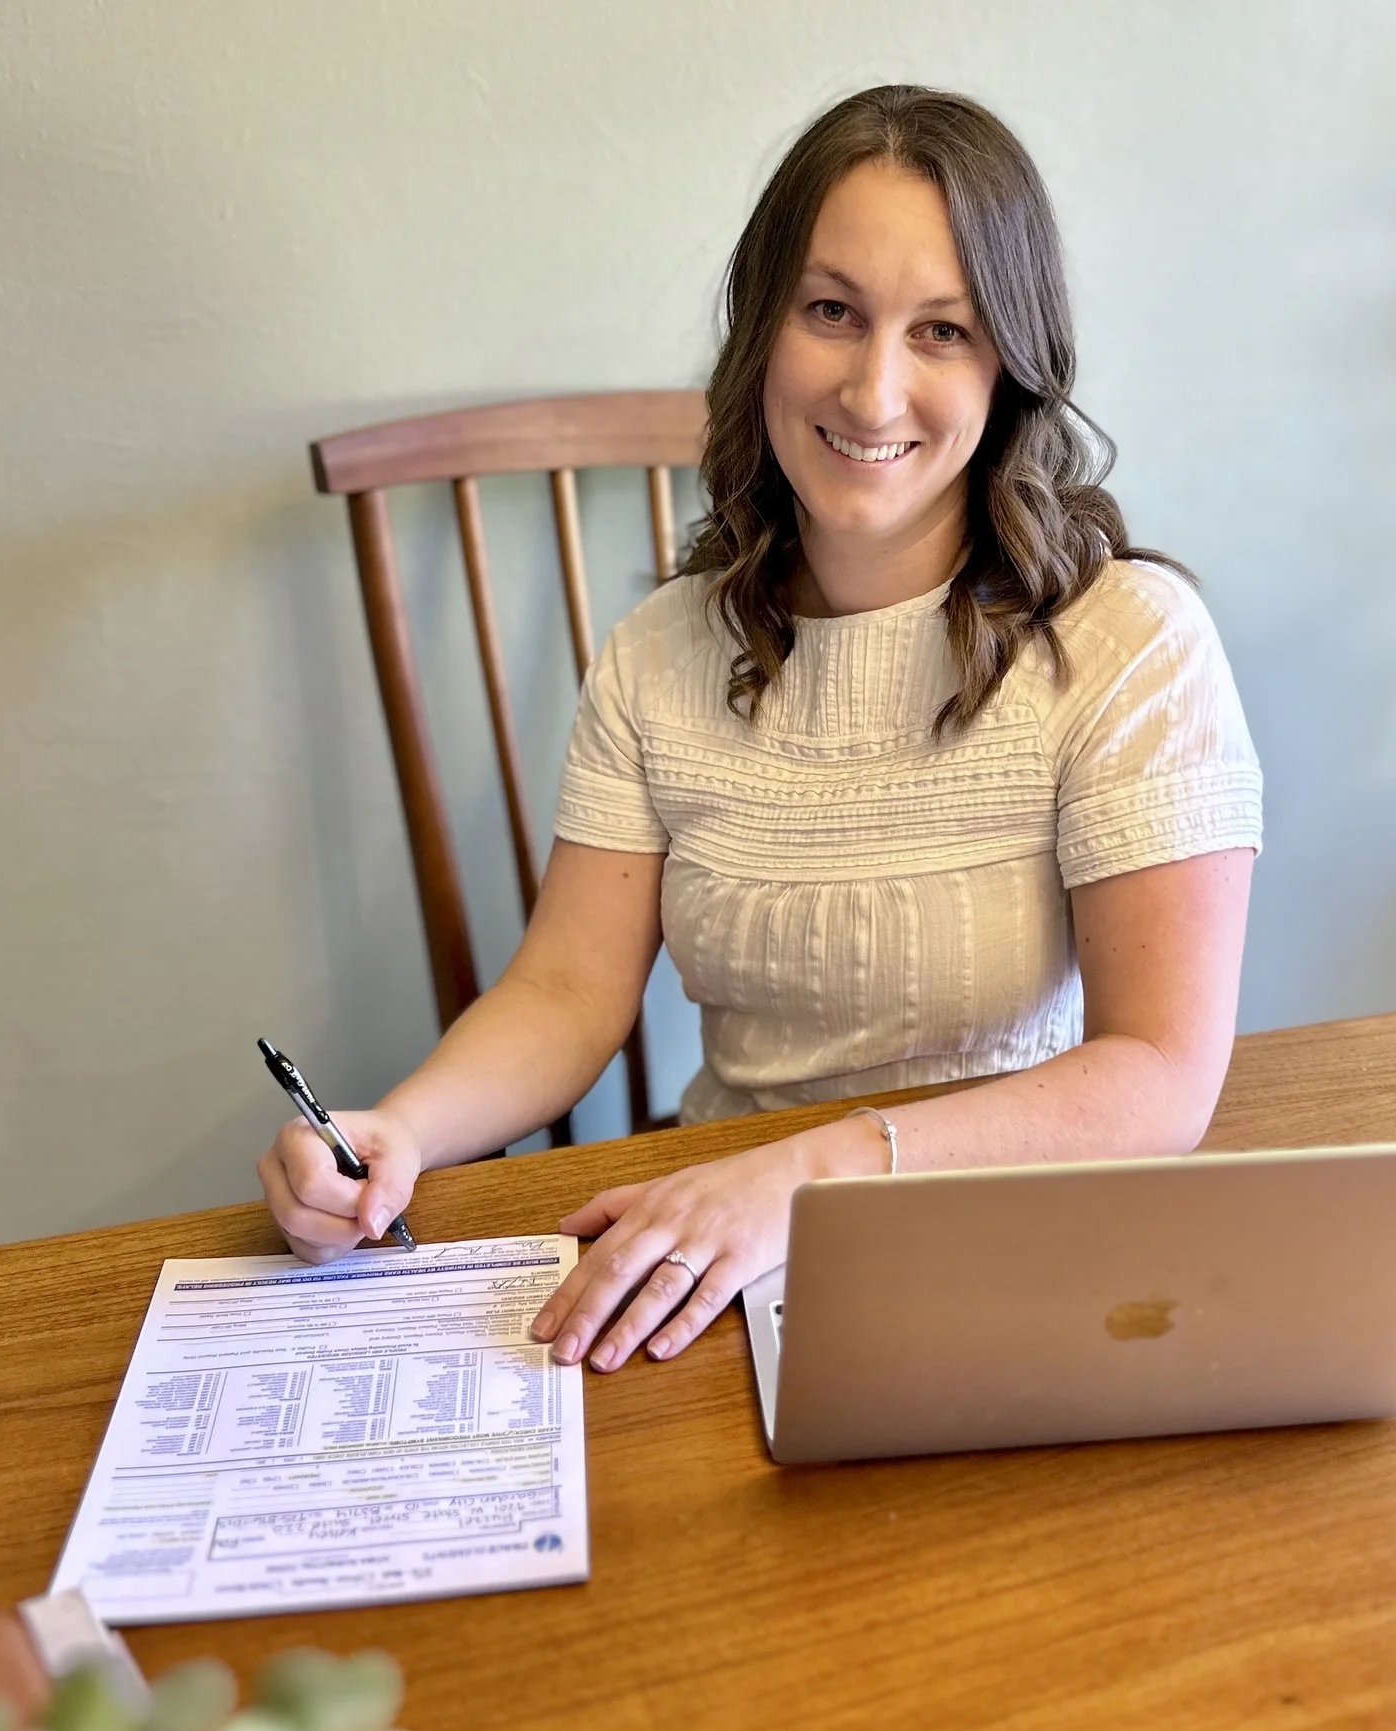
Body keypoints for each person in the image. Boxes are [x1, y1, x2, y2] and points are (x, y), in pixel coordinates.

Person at [259, 84, 1263, 1375]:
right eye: (830, 310)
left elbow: (1159, 1073)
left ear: (1010, 365)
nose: (873, 389)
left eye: (943, 330)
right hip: (721, 1262)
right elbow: (566, 992)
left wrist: (808, 1176)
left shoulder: (1131, 644)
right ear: (762, 331)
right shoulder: (658, 655)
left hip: (1009, 1246)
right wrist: (395, 1131)